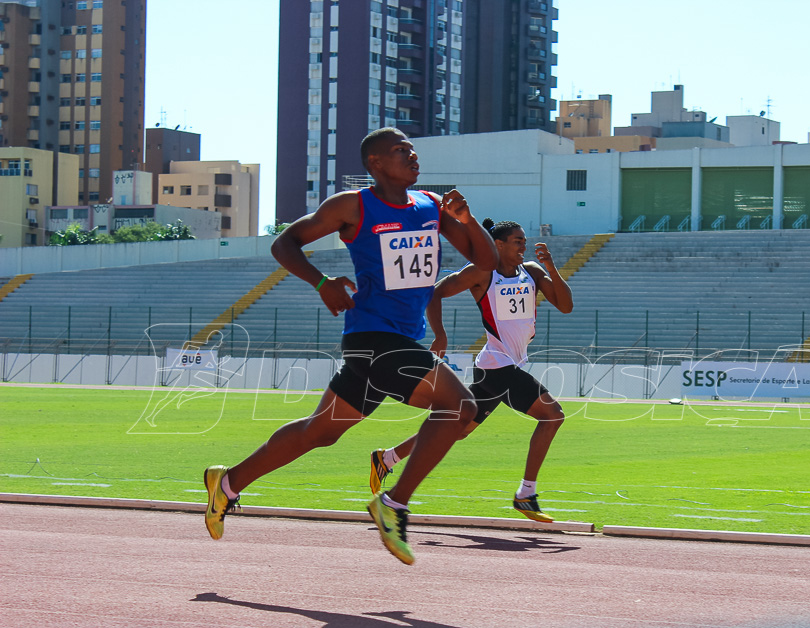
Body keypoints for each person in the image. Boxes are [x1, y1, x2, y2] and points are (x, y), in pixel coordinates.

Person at [203, 128, 497, 565]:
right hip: (374, 338)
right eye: (401, 151)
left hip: (394, 340)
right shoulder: (352, 206)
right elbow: (284, 243)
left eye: (413, 150)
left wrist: (468, 221)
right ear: (376, 163)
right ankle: (393, 505)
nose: (413, 156)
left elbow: (486, 262)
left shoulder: (431, 206)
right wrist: (321, 282)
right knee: (461, 407)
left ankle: (226, 484)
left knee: (318, 433)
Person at [370, 219, 573, 522]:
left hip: (502, 364)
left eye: (524, 240)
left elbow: (566, 306)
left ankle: (387, 458)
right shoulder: (481, 272)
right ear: (499, 244)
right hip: (497, 366)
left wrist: (551, 267)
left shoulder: (531, 271)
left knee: (458, 430)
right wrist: (440, 335)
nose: (523, 245)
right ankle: (525, 494)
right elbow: (434, 292)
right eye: (517, 240)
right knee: (553, 415)